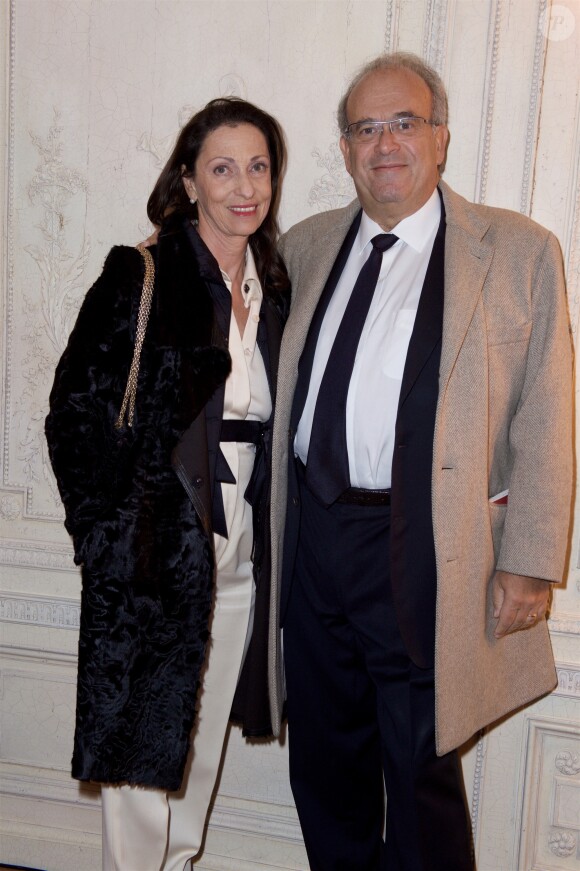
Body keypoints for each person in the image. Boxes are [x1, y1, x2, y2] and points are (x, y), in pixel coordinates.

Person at [266, 52, 573, 870]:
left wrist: (531, 562)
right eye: (366, 128)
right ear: (344, 148)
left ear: (441, 138)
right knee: (325, 766)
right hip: (312, 542)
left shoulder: (518, 252)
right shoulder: (304, 246)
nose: (386, 143)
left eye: (405, 123)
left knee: (420, 770)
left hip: (426, 548)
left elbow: (548, 413)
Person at [45, 96, 290, 871]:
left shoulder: (275, 288)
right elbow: (72, 413)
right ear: (189, 180)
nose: (244, 186)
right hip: (154, 558)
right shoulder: (141, 273)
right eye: (223, 167)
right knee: (142, 763)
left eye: (258, 166)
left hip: (240, 560)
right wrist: (101, 533)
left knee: (197, 756)